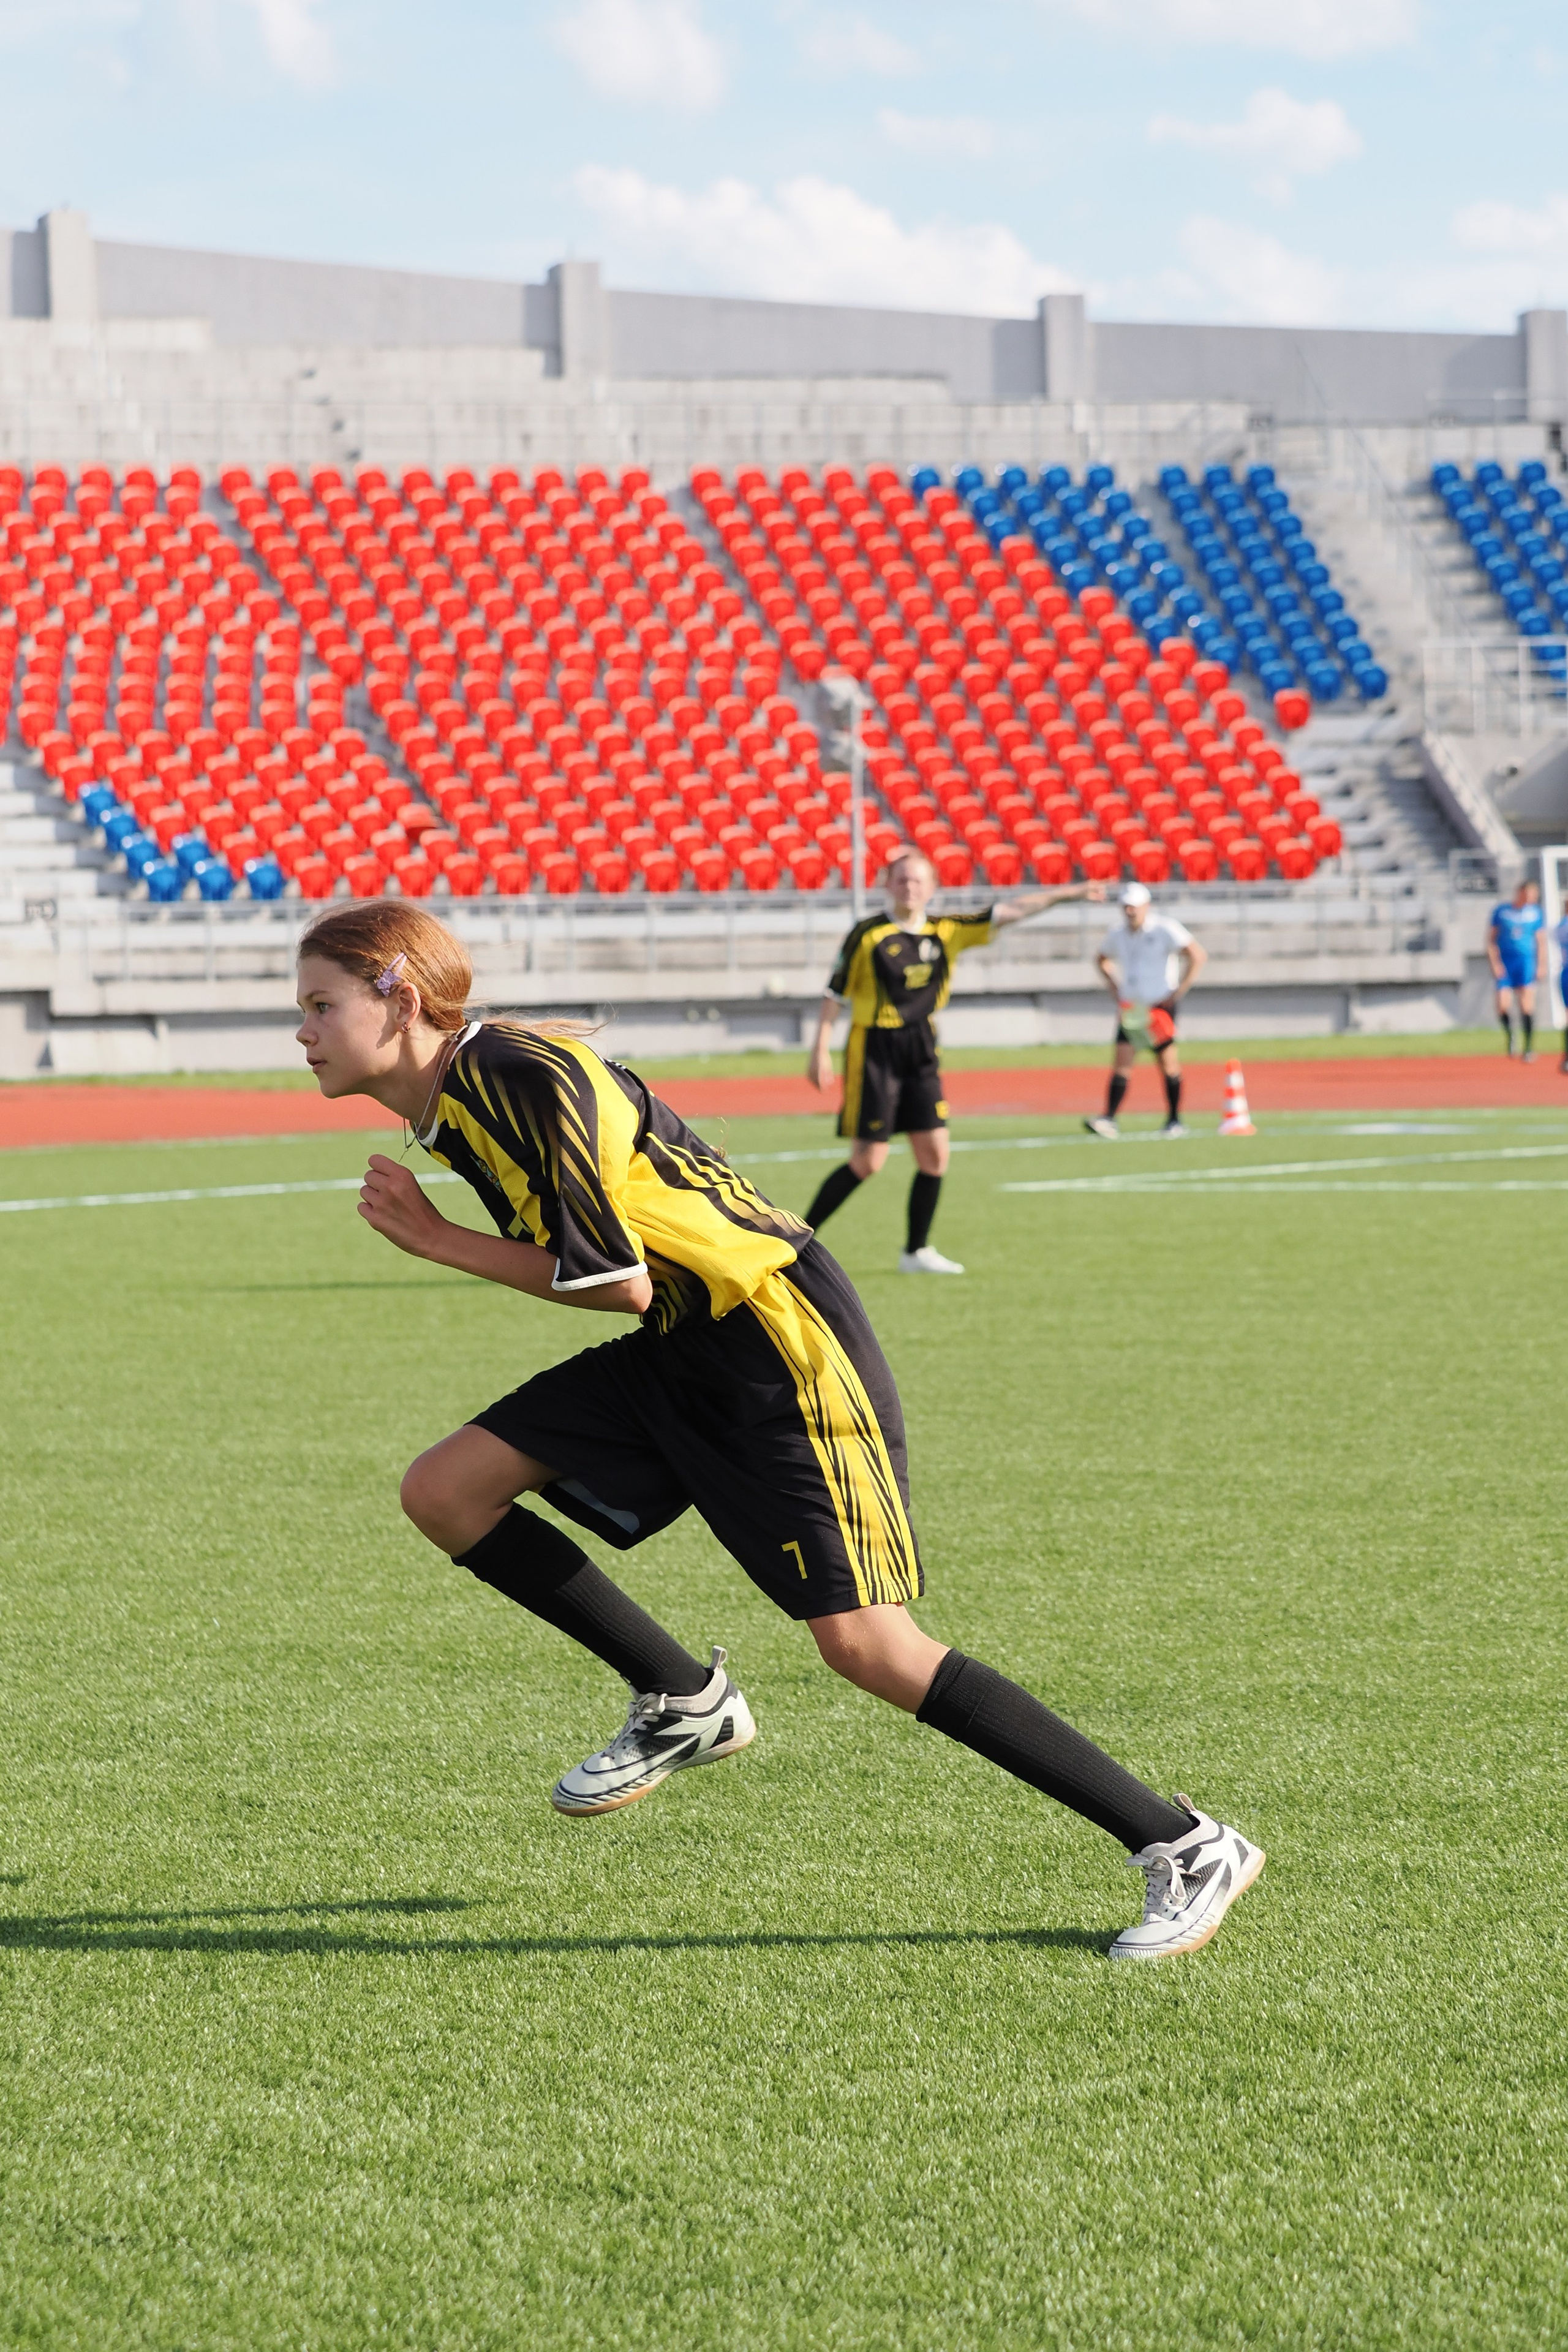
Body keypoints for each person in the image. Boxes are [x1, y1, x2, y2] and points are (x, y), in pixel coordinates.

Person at [293, 899, 1264, 1962]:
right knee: (445, 1490)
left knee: (870, 1649)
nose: (302, 1030)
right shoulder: (454, 1095)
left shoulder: (515, 1074)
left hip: (772, 1336)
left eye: (319, 1004)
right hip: (681, 1342)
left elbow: (613, 1280)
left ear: (400, 997)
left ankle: (1183, 1842)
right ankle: (682, 1696)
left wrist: (442, 1244)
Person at [804, 850, 1102, 1273]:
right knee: (868, 1162)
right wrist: (819, 1049)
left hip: (923, 1047)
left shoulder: (949, 930)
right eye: (902, 879)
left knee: (935, 1157)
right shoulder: (867, 934)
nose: (909, 887)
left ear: (933, 888)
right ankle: (796, 1241)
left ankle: (916, 1252)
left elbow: (1014, 910)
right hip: (875, 1048)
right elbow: (835, 993)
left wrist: (1069, 893)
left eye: (918, 880)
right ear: (887, 885)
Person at [1083, 884, 1207, 1140]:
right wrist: (1115, 988)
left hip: (1159, 1004)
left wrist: (1179, 991)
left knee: (1167, 1062)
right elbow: (1101, 959)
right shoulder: (1117, 934)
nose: (1129, 911)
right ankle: (1109, 1118)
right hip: (1133, 1007)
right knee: (1122, 1062)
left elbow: (1196, 954)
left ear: (1146, 906)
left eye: (1134, 907)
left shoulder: (1165, 929)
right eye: (1125, 907)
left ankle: (1174, 1119)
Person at [1487, 878, 1545, 1061]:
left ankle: (1528, 1047)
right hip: (1506, 962)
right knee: (1502, 1004)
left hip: (1526, 962)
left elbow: (1540, 941)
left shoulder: (1535, 913)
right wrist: (1495, 963)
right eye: (1529, 894)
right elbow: (1491, 940)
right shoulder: (1502, 911)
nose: (1532, 898)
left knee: (1526, 1005)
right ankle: (1511, 1036)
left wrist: (1541, 964)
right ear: (1520, 892)